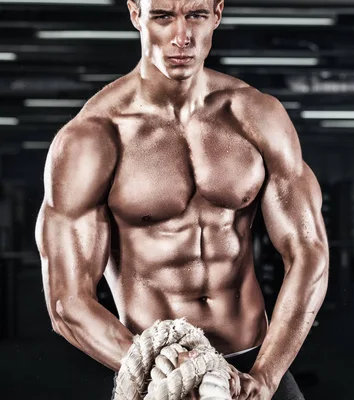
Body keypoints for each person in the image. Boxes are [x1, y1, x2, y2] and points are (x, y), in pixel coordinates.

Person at [34, 0, 329, 399]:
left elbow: (308, 251)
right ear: (136, 14)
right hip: (159, 373)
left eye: (195, 15)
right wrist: (154, 366)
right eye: (162, 17)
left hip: (254, 362)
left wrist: (267, 374)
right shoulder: (93, 137)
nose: (182, 37)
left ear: (217, 14)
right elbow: (67, 301)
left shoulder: (256, 116)